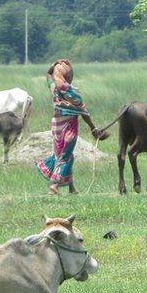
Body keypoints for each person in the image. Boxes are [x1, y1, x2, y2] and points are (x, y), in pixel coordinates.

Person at [36, 59, 108, 194]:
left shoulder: (53, 87)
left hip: (56, 124)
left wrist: (54, 66)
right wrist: (93, 128)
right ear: (68, 75)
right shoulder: (70, 92)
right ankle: (54, 184)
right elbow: (82, 110)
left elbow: (48, 77)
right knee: (65, 156)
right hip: (68, 126)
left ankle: (71, 188)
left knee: (63, 154)